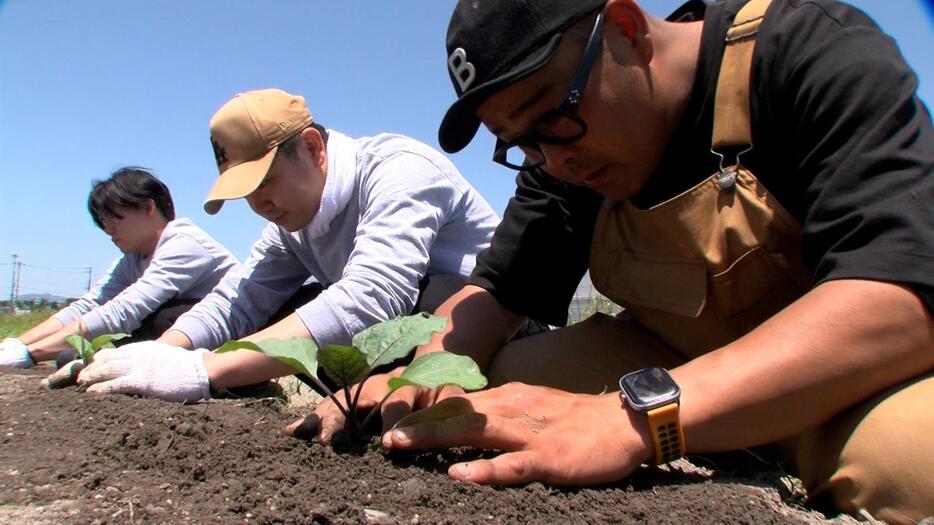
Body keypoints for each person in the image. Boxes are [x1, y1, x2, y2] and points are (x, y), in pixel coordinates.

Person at [301, 1, 932, 523]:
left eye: (553, 118)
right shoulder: (563, 158)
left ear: (627, 28)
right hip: (687, 365)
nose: (553, 160)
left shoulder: (802, 48)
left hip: (853, 376)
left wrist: (630, 421)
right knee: (508, 374)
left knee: (912, 464)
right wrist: (417, 376)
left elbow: (902, 293)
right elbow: (496, 291)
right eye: (521, 143)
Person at [75, 88, 501, 404]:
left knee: (437, 298)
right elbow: (237, 301)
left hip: (495, 328)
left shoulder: (400, 168)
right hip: (404, 338)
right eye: (246, 192)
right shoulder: (290, 225)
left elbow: (373, 296)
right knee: (258, 310)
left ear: (312, 147)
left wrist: (205, 369)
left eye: (264, 182)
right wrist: (162, 354)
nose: (258, 204)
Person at [0, 167, 240, 368]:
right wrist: (18, 344)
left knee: (165, 319)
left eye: (114, 219)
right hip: (179, 335)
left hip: (230, 333)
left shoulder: (185, 244)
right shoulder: (133, 258)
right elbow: (90, 305)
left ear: (148, 207)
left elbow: (125, 310)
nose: (109, 231)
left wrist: (31, 355)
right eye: (103, 223)